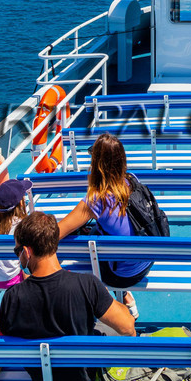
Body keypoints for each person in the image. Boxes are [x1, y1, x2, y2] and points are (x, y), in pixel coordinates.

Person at [0, 211, 136, 381]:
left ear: (27, 252)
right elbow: (128, 327)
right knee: (108, 329)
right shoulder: (86, 285)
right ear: (54, 244)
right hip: (81, 378)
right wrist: (104, 293)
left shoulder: (12, 297)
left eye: (17, 251)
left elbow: (10, 342)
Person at [55, 133, 150, 317]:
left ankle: (103, 302)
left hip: (122, 274)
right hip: (145, 262)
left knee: (71, 249)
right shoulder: (132, 180)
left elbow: (58, 232)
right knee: (99, 238)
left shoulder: (97, 199)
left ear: (96, 164)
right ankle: (127, 299)